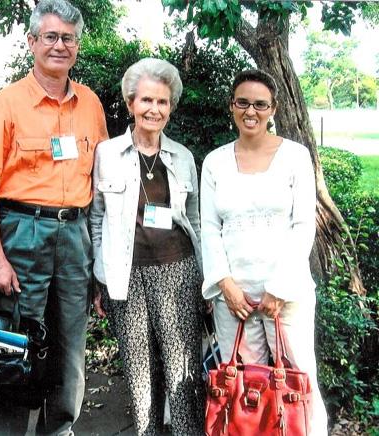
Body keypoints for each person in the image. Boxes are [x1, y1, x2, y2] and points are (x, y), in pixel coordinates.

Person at [0, 0, 108, 433]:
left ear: (78, 46)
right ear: (32, 41)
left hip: (75, 236)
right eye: (50, 36)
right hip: (21, 234)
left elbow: (104, 183)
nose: (59, 45)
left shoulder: (91, 105)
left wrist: (100, 263)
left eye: (68, 38)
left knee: (69, 352)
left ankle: (59, 429)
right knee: (13, 345)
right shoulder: (5, 104)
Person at [200, 69, 328, 435]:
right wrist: (225, 285)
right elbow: (209, 227)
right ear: (231, 106)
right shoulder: (214, 162)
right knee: (244, 390)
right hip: (234, 299)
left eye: (260, 104)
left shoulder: (295, 157)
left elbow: (304, 224)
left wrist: (280, 287)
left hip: (285, 296)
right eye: (243, 102)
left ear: (273, 109)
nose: (251, 111)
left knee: (300, 379)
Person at [90, 58, 204, 435]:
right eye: (147, 101)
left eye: (162, 102)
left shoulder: (183, 157)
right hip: (127, 278)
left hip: (178, 272)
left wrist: (204, 279)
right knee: (140, 374)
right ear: (130, 103)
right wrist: (101, 279)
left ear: (170, 107)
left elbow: (196, 220)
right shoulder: (107, 155)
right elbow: (97, 219)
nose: (154, 109)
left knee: (182, 369)